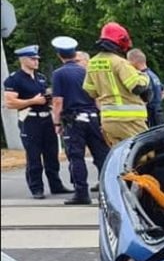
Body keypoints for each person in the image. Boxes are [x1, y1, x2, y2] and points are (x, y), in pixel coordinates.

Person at [3, 45, 71, 199]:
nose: (36, 61)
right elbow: (10, 103)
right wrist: (32, 101)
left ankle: (56, 185)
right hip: (30, 120)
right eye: (32, 59)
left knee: (51, 155)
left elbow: (46, 96)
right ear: (23, 60)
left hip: (46, 118)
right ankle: (36, 188)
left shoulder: (40, 77)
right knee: (34, 157)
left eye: (37, 59)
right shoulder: (14, 79)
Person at [51, 36, 109, 205]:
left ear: (59, 55)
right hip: (92, 117)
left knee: (76, 157)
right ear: (75, 54)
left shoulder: (59, 74)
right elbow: (97, 97)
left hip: (74, 120)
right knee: (101, 155)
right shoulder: (86, 71)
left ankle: (81, 193)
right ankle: (107, 190)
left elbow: (57, 101)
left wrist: (56, 123)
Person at [83, 22, 150, 145]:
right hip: (130, 121)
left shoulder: (92, 63)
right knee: (144, 156)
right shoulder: (120, 63)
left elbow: (90, 91)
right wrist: (144, 77)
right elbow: (137, 87)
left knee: (121, 158)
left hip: (108, 121)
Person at [127, 48, 164, 127]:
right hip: (159, 113)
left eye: (128, 61)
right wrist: (157, 101)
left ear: (133, 61)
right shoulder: (153, 74)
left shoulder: (142, 77)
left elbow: (146, 95)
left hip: (150, 115)